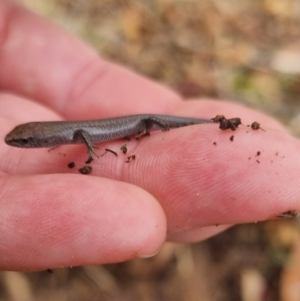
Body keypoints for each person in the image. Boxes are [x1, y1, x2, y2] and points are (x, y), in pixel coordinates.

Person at [1, 0, 300, 271]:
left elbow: (81, 132)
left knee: (168, 123)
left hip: (144, 121)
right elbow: (75, 133)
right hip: (125, 124)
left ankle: (215, 124)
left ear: (41, 138)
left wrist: (91, 152)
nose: (19, 144)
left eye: (24, 141)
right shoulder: (56, 136)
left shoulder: (66, 134)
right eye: (23, 140)